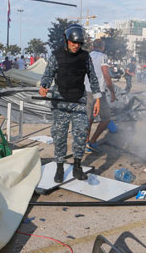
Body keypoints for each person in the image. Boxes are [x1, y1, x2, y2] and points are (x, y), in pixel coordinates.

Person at [39, 24, 101, 182]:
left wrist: (98, 98)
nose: (76, 46)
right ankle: (59, 167)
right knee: (59, 136)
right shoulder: (56, 56)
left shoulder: (85, 57)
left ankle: (77, 166)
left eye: (79, 43)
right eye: (73, 43)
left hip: (79, 101)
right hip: (60, 101)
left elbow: (93, 77)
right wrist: (44, 87)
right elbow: (48, 75)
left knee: (80, 134)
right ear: (66, 41)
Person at [85, 39, 117, 153]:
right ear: (103, 47)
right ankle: (92, 141)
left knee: (88, 119)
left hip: (87, 90)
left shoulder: (87, 56)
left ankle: (86, 143)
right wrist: (112, 91)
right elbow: (106, 74)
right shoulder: (103, 57)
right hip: (99, 92)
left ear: (93, 46)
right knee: (106, 118)